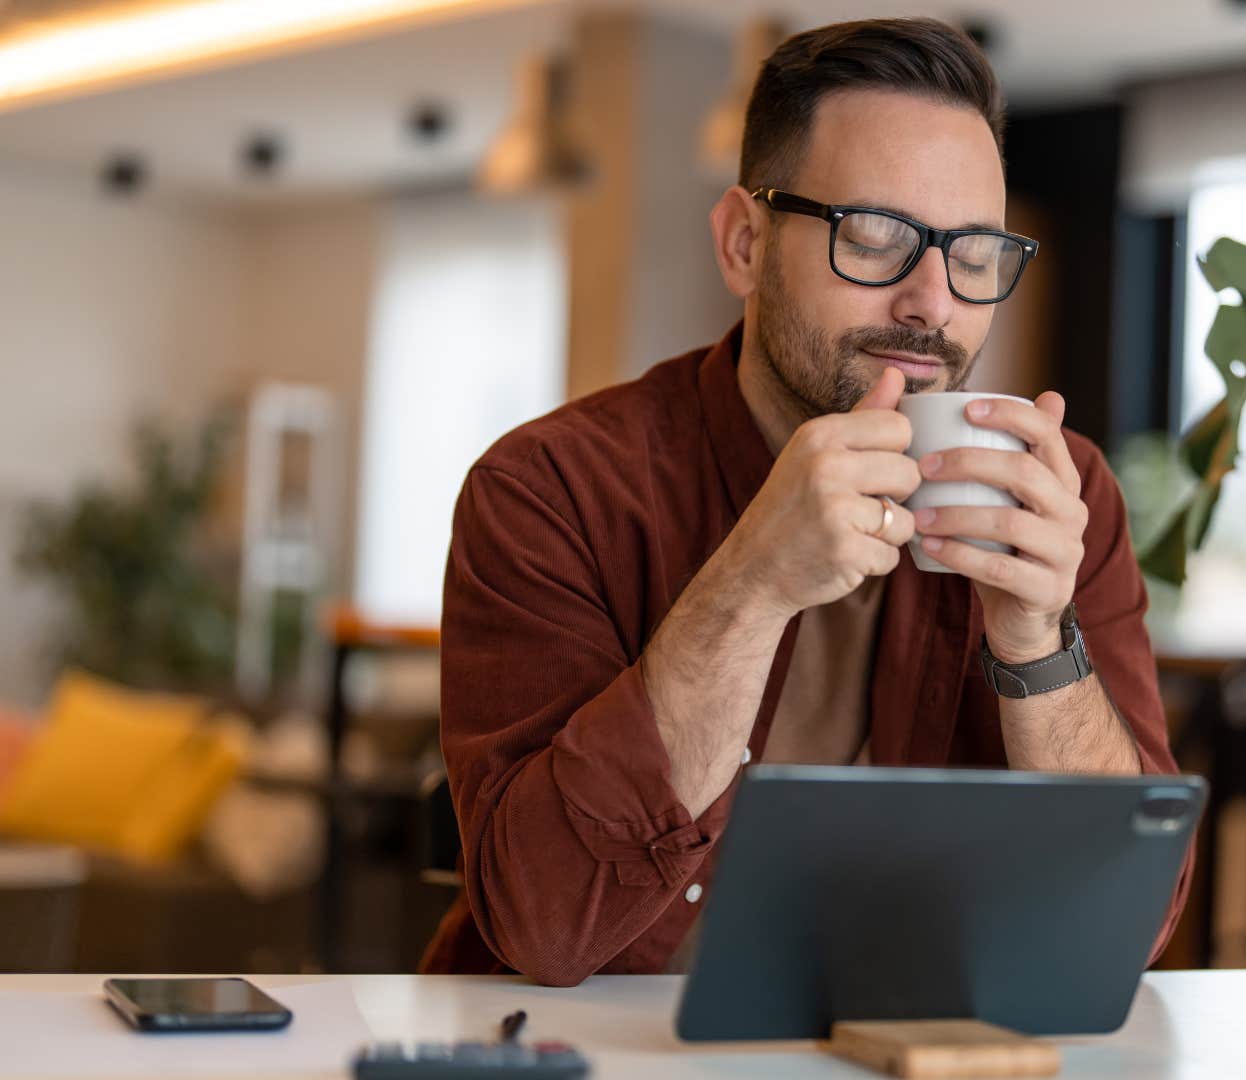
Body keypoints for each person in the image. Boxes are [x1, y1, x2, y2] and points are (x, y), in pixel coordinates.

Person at [421, 16, 1188, 987]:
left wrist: (1039, 642)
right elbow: (542, 926)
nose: (932, 303)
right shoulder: (552, 491)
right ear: (745, 244)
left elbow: (1132, 929)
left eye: (975, 254)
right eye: (874, 237)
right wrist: (750, 583)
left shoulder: (1059, 496)